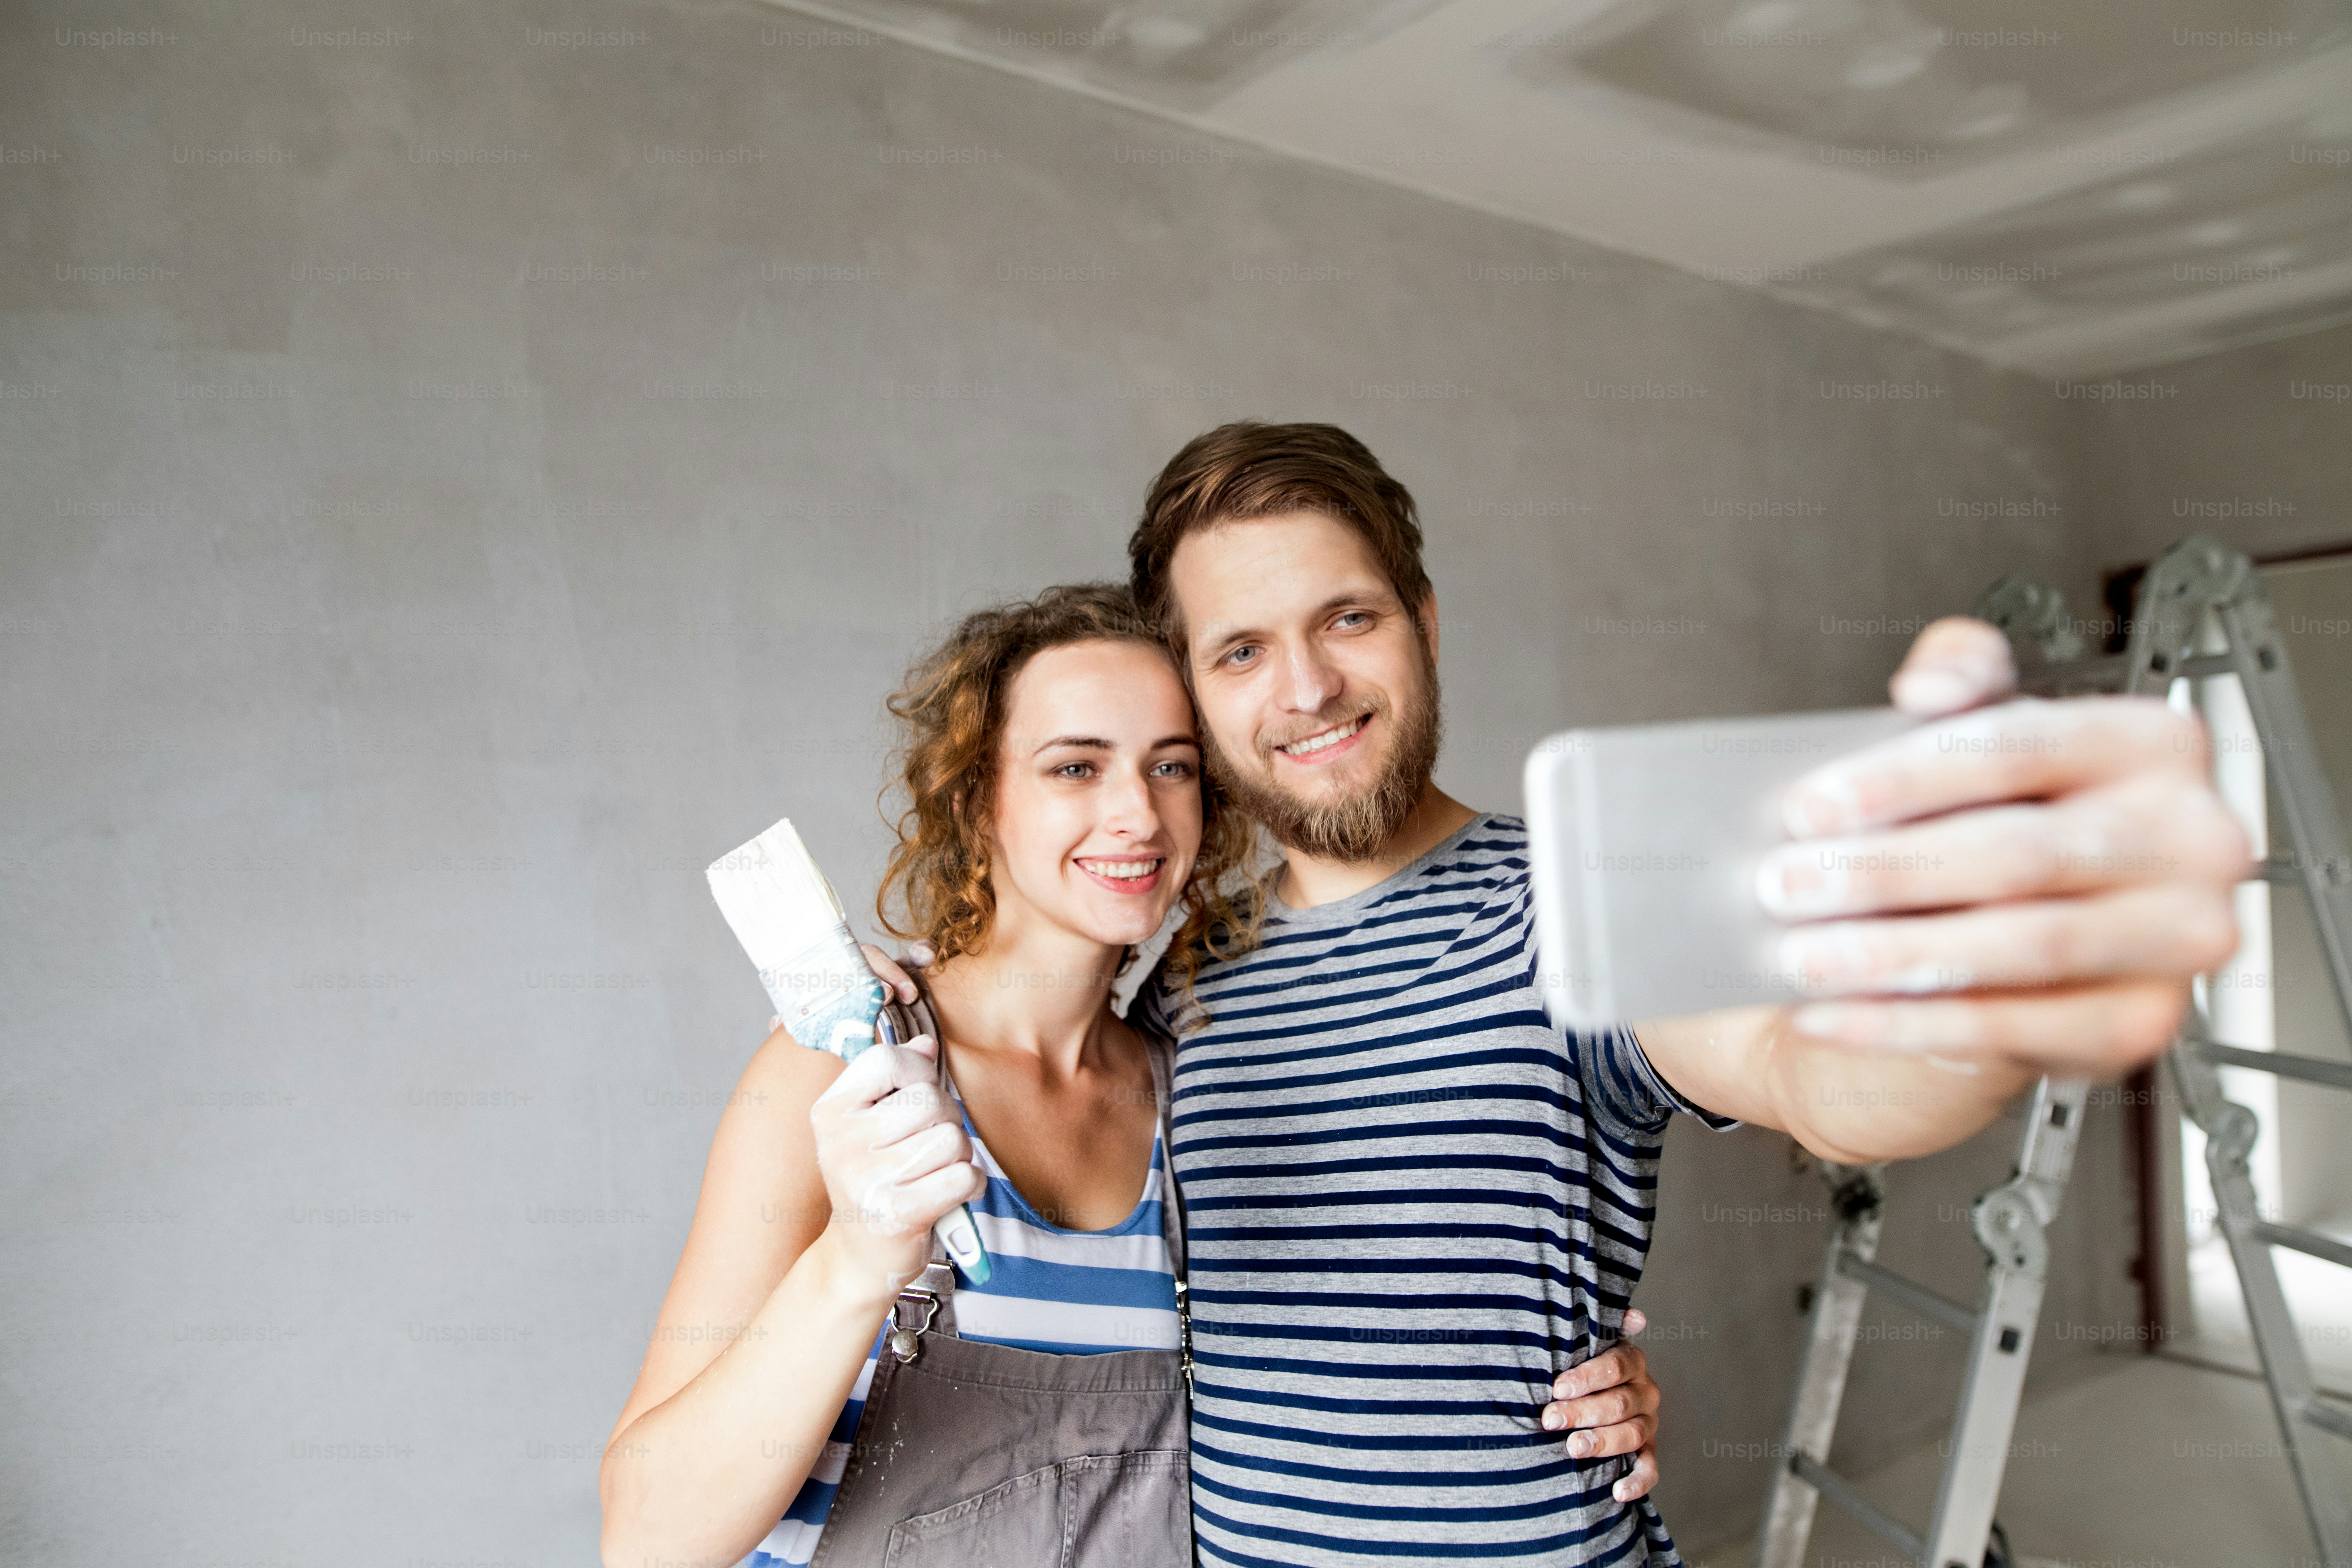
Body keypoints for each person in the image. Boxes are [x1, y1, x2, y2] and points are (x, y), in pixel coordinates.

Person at [1100, 422, 2251, 1567]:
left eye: (1348, 618)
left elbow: (1806, 1074)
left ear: (1426, 625)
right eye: (1241, 651)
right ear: (1195, 696)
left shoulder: (1574, 903)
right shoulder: (1187, 976)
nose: (1307, 686)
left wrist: (1972, 996)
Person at [597, 583, 1665, 1568]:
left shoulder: (1190, 1082)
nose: (1137, 813)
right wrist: (857, 1258)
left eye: (1171, 764)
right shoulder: (841, 1073)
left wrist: (1563, 1382)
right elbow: (647, 1538)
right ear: (977, 804)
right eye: (1075, 766)